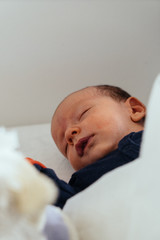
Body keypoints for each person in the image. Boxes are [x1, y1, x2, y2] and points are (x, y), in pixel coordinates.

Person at [31, 85, 146, 208]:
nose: (69, 133)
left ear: (134, 110)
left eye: (83, 114)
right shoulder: (84, 184)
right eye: (66, 147)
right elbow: (67, 209)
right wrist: (33, 176)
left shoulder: (151, 136)